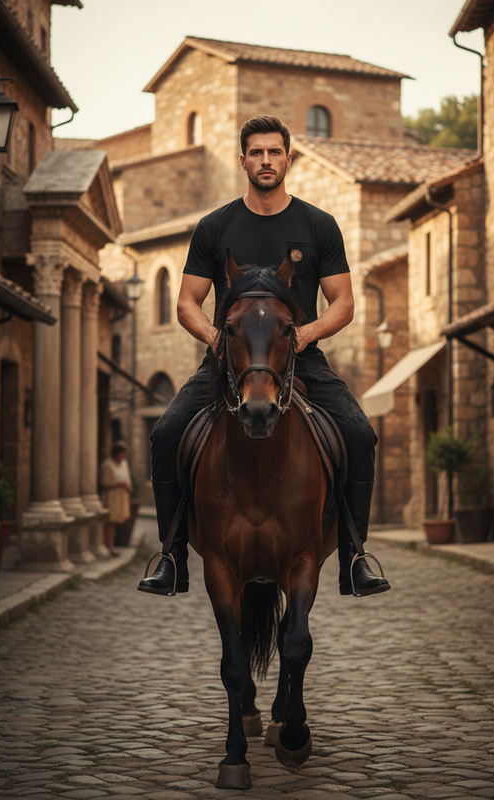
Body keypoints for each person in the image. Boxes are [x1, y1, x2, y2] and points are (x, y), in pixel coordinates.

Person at [138, 114, 390, 598]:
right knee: (166, 433)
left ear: (288, 159)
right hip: (228, 362)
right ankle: (172, 558)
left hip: (302, 360)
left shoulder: (319, 225)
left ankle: (355, 558)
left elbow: (344, 303)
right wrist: (217, 340)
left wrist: (304, 335)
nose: (266, 160)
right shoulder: (215, 226)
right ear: (243, 161)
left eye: (275, 152)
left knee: (361, 434)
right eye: (256, 152)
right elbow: (187, 301)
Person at [101, 441, 132, 557]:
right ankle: (108, 546)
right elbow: (104, 483)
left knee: (115, 522)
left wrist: (128, 485)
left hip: (121, 498)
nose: (123, 456)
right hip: (112, 498)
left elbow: (127, 477)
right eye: (122, 454)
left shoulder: (123, 463)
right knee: (110, 522)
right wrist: (120, 484)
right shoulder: (107, 465)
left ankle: (111, 545)